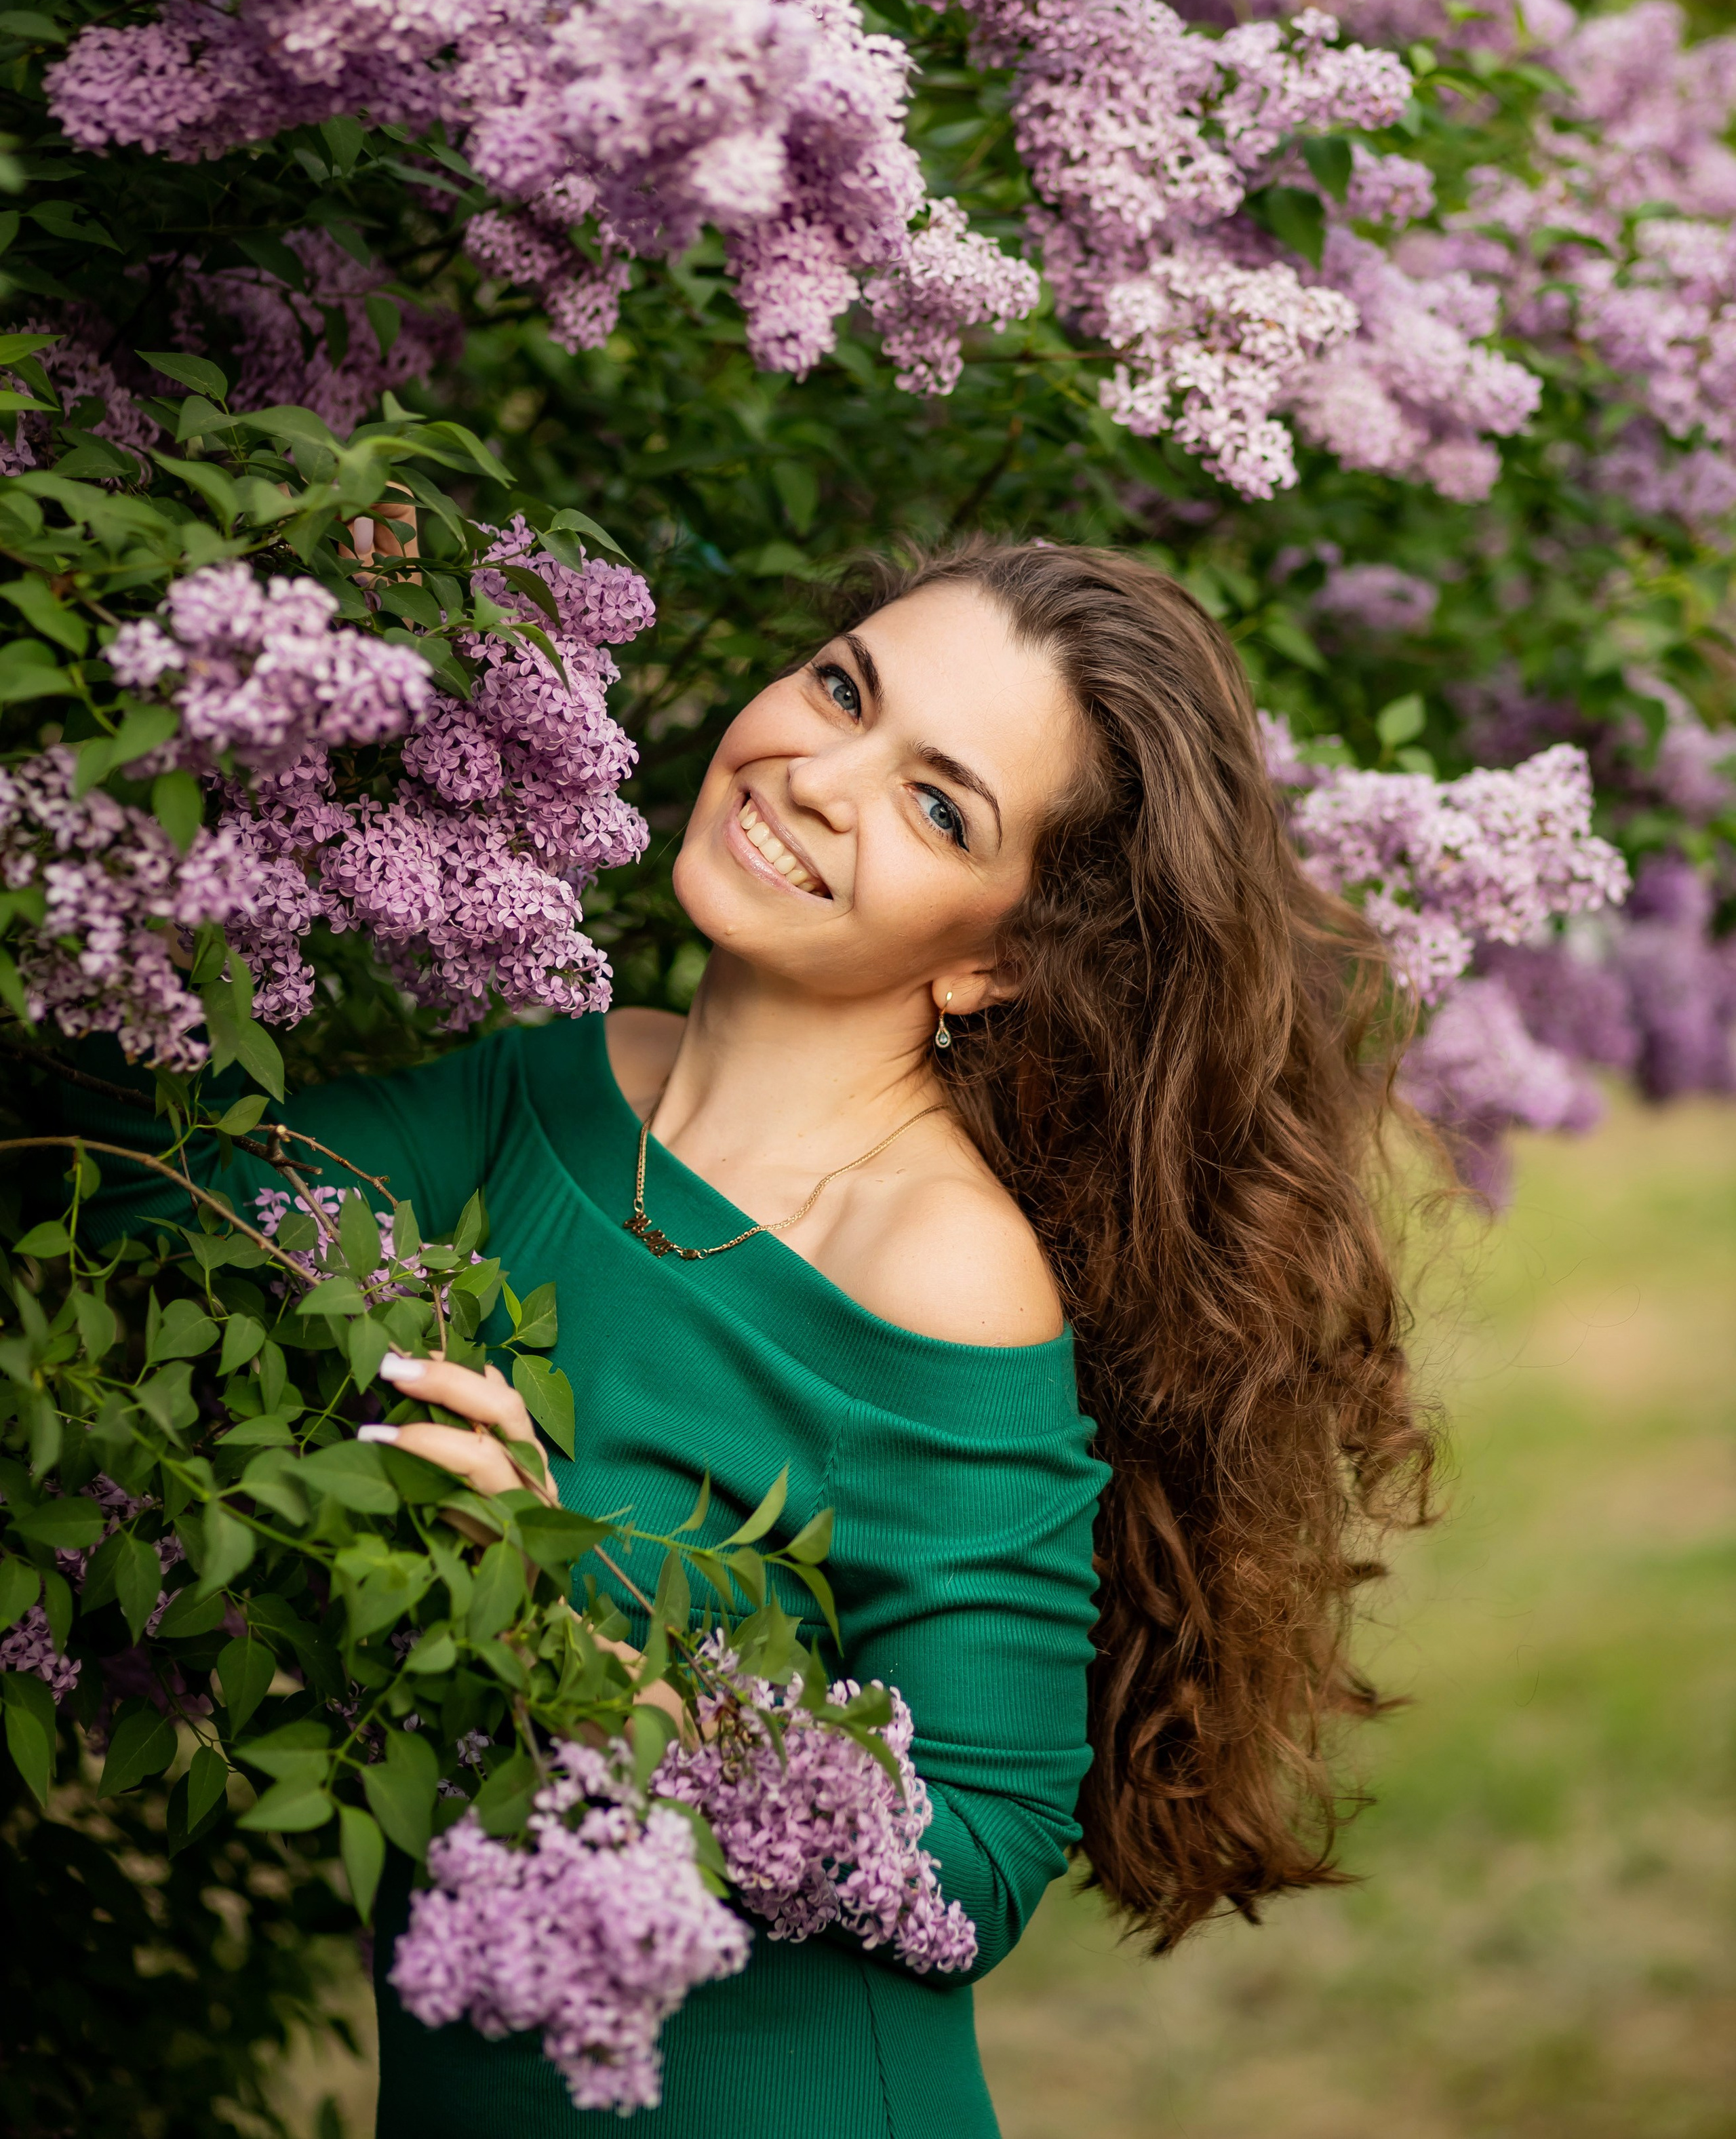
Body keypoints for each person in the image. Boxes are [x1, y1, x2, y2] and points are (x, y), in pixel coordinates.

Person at [77, 541, 1429, 2139]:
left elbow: (978, 1856)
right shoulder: (546, 1094)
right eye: (843, 690)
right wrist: (265, 642)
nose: (819, 778)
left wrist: (575, 1656)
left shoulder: (936, 1269)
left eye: (938, 807)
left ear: (994, 957)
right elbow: (125, 1202)